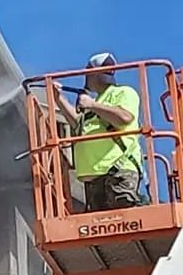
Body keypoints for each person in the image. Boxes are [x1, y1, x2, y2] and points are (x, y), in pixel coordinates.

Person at [55, 53, 142, 210]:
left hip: (117, 173)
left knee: (123, 224)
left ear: (91, 73)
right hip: (95, 178)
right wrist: (58, 98)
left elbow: (124, 118)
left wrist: (91, 104)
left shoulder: (123, 92)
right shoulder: (98, 101)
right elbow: (79, 126)